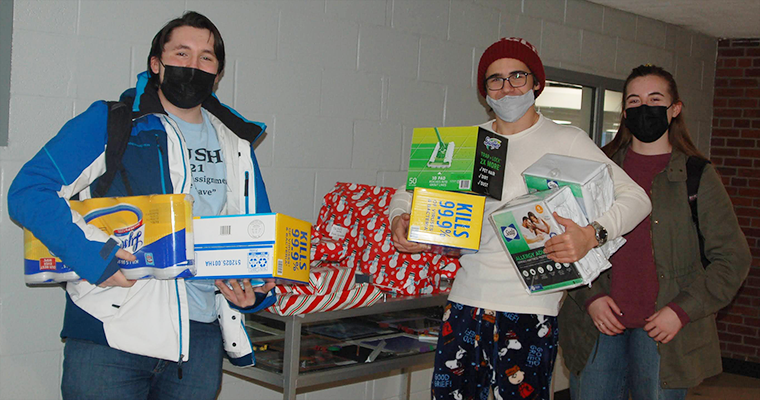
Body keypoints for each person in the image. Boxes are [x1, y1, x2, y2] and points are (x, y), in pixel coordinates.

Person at [8, 12, 276, 400]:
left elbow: (255, 234)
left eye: (206, 57)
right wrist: (98, 258)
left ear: (217, 73)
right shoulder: (112, 121)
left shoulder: (236, 144)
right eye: (182, 53)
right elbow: (29, 191)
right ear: (156, 64)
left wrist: (254, 290)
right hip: (111, 334)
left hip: (199, 339)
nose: (194, 65)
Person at [388, 37, 652, 400]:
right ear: (485, 92)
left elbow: (636, 198)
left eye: (518, 76)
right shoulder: (471, 143)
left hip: (529, 309)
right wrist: (400, 218)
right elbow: (408, 191)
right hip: (465, 302)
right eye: (495, 80)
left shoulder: (566, 139)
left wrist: (592, 235)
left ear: (536, 83)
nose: (507, 88)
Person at [558, 65, 751, 400]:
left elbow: (732, 259)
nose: (643, 108)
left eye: (655, 99)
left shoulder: (698, 176)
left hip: (665, 329)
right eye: (634, 101)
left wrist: (681, 310)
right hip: (598, 324)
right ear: (625, 111)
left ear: (674, 109)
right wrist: (590, 297)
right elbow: (564, 243)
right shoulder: (596, 169)